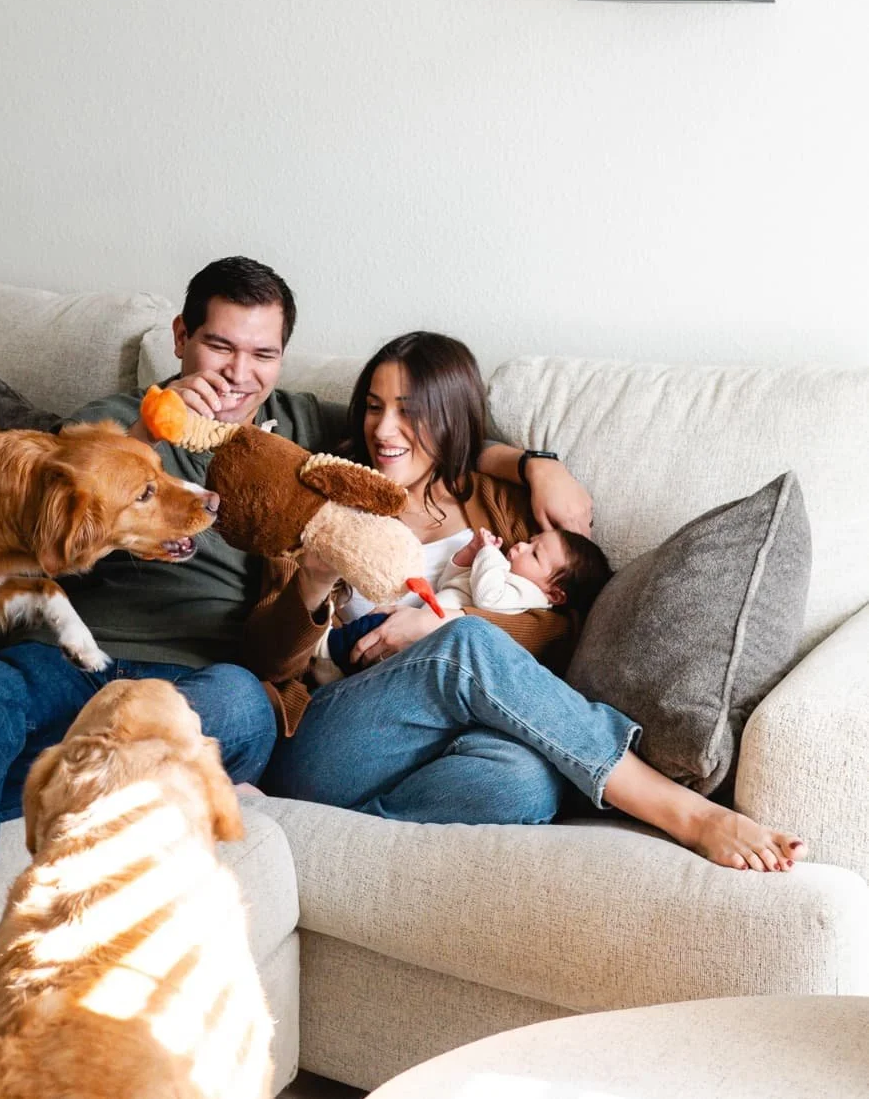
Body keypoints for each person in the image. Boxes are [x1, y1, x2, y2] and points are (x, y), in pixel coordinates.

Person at [0, 262, 595, 939]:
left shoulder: (297, 428)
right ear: (182, 336)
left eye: (263, 354)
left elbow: (416, 435)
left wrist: (534, 461)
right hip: (74, 659)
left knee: (238, 708)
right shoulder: (108, 428)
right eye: (220, 345)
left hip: (209, 679)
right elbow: (38, 533)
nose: (238, 374)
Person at [244, 331, 806, 873]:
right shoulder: (318, 503)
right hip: (335, 734)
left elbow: (561, 625)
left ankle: (337, 840)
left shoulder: (500, 505)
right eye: (372, 406)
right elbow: (269, 664)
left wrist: (437, 624)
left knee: (524, 779)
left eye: (409, 410)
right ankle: (683, 812)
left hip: (459, 743)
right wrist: (314, 584)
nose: (384, 429)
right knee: (464, 643)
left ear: (450, 418)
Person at [320, 525, 611, 680]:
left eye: (534, 554)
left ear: (555, 594)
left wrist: (488, 555)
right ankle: (328, 659)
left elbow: (487, 596)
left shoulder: (528, 596)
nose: (521, 546)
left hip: (430, 642)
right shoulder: (506, 576)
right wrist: (469, 555)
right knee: (369, 635)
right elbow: (453, 583)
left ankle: (323, 653)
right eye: (531, 541)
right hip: (419, 621)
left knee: (365, 636)